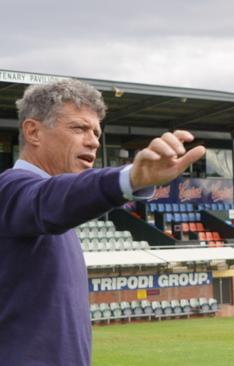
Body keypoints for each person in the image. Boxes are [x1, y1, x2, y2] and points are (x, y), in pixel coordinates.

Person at [0, 78, 205, 365]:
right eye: (79, 128)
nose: (94, 140)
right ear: (33, 131)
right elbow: (54, 198)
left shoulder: (58, 211)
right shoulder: (11, 188)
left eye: (96, 132)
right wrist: (129, 178)